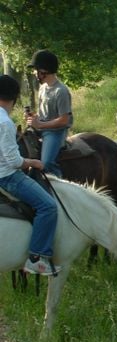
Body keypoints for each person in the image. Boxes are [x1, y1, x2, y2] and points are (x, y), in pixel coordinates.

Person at [0, 74, 61, 275]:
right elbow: (14, 162)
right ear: (14, 97)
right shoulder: (5, 122)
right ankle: (36, 257)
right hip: (7, 177)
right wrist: (35, 162)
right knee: (49, 206)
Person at [25, 49, 73, 178]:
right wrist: (33, 119)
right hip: (42, 128)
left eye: (36, 70)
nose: (34, 73)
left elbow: (64, 120)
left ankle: (59, 187)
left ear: (44, 71)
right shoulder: (42, 88)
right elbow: (43, 115)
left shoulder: (61, 91)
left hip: (55, 132)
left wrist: (40, 125)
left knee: (46, 163)